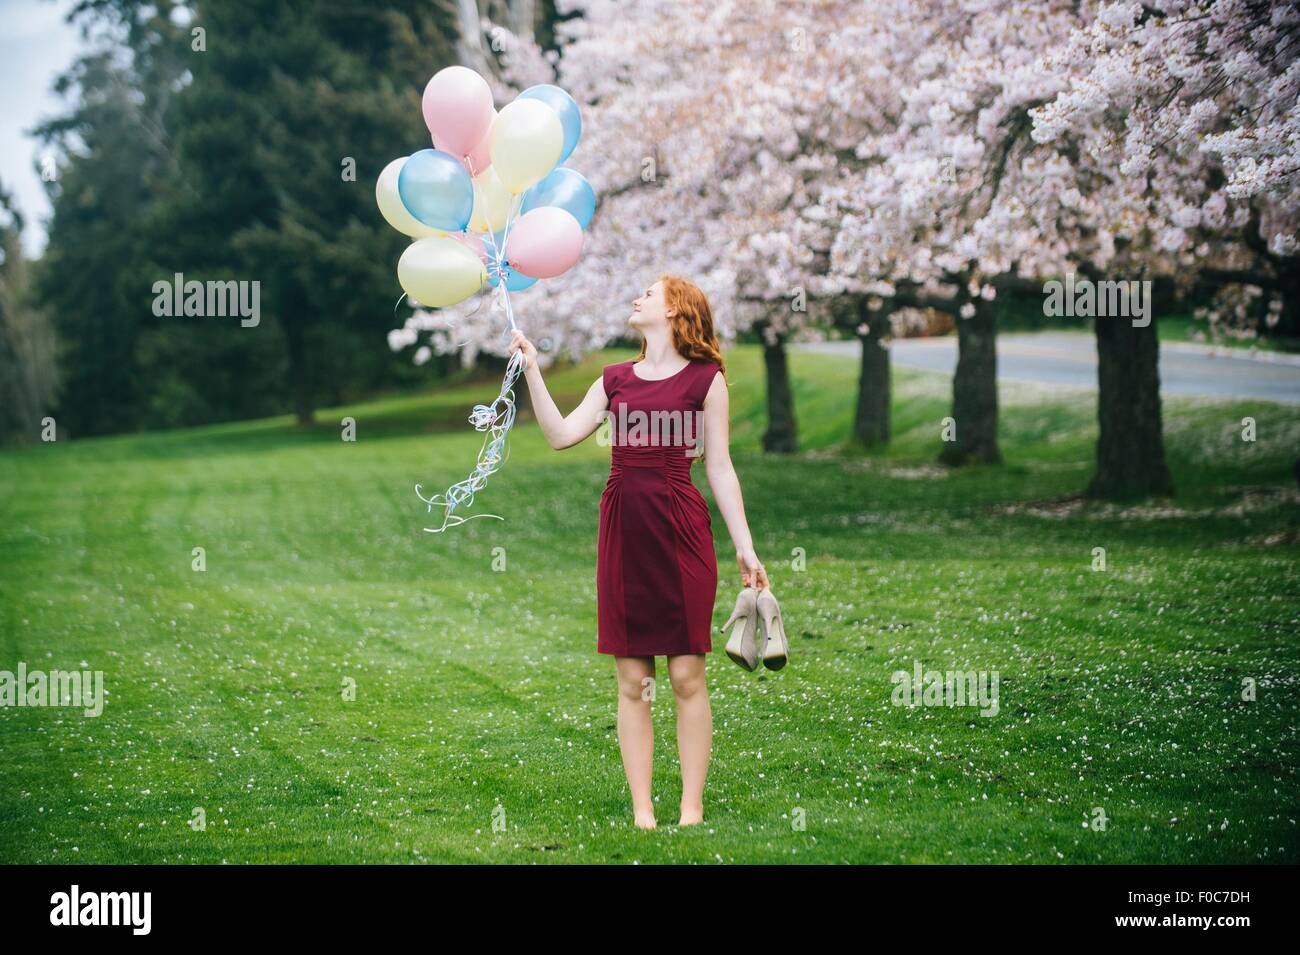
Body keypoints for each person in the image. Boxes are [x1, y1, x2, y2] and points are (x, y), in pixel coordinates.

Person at [510, 274, 769, 829]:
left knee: (685, 676)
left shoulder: (707, 379)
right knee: (633, 681)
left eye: (649, 294)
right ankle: (643, 811)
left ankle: (691, 809)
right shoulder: (614, 379)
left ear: (676, 312)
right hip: (624, 530)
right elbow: (559, 435)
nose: (637, 298)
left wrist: (745, 547)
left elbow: (720, 467)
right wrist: (532, 368)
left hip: (681, 529)